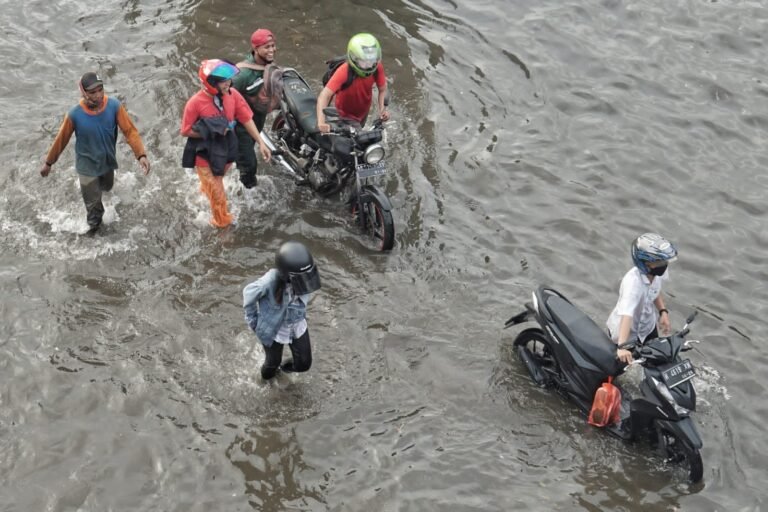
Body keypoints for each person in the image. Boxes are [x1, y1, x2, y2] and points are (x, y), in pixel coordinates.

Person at [40, 72, 151, 233]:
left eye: (100, 90)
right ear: (83, 93)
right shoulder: (74, 115)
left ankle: (98, 208)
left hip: (107, 163)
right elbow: (61, 140)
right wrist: (48, 163)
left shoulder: (114, 106)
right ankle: (93, 237)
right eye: (92, 92)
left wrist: (141, 155)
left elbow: (130, 131)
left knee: (107, 188)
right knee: (95, 213)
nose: (98, 95)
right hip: (87, 168)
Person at [181, 59, 271, 228]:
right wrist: (210, 132)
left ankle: (205, 190)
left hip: (227, 148)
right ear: (211, 83)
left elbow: (246, 118)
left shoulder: (233, 95)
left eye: (229, 79)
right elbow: (185, 130)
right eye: (223, 81)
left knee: (218, 178)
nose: (228, 83)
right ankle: (222, 226)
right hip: (205, 153)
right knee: (219, 197)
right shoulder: (194, 103)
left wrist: (261, 143)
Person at [243, 241, 322, 380]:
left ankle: (282, 372)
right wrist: (253, 321)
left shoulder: (306, 276)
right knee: (272, 364)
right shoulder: (268, 282)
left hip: (297, 324)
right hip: (273, 328)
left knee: (304, 364)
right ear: (286, 275)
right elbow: (248, 293)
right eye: (300, 278)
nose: (305, 282)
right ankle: (266, 383)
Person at [606, 233, 678, 364]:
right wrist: (622, 347)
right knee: (623, 366)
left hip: (647, 327)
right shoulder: (633, 284)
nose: (665, 265)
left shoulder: (657, 273)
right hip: (626, 333)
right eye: (660, 262)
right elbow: (626, 315)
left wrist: (663, 312)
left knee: (657, 360)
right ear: (647, 263)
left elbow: (655, 290)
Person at [316, 33, 390, 133]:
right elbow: (324, 96)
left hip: (363, 112)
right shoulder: (344, 71)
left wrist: (382, 110)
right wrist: (321, 123)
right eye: (364, 62)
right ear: (355, 59)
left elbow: (383, 89)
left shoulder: (377, 67)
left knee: (360, 130)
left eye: (372, 61)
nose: (369, 65)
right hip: (345, 114)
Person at [232, 28, 277, 189]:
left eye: (273, 46)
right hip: (241, 128)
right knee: (249, 166)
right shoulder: (242, 75)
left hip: (256, 122)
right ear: (255, 49)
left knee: (245, 156)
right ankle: (247, 190)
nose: (271, 50)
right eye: (267, 47)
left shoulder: (268, 65)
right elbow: (226, 98)